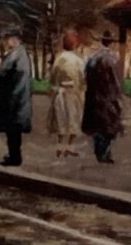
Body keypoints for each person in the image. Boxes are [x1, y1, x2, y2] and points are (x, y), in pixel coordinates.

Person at [81, 31, 126, 165]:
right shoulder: (113, 58)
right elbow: (117, 80)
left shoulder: (93, 57)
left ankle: (99, 151)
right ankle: (105, 152)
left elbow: (86, 76)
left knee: (98, 124)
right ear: (111, 43)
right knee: (108, 125)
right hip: (108, 95)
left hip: (94, 95)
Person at [0, 28, 33, 167]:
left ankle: (14, 157)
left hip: (14, 97)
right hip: (20, 96)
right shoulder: (23, 54)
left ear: (15, 40)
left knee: (12, 130)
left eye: (8, 38)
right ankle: (14, 155)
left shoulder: (15, 54)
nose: (7, 41)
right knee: (15, 131)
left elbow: (2, 72)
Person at [47, 31, 86, 158]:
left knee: (61, 119)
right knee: (73, 119)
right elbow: (82, 77)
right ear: (75, 45)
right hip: (73, 93)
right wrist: (82, 89)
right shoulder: (78, 60)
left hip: (61, 92)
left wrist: (54, 88)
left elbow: (53, 77)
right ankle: (69, 146)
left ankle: (60, 146)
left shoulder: (59, 58)